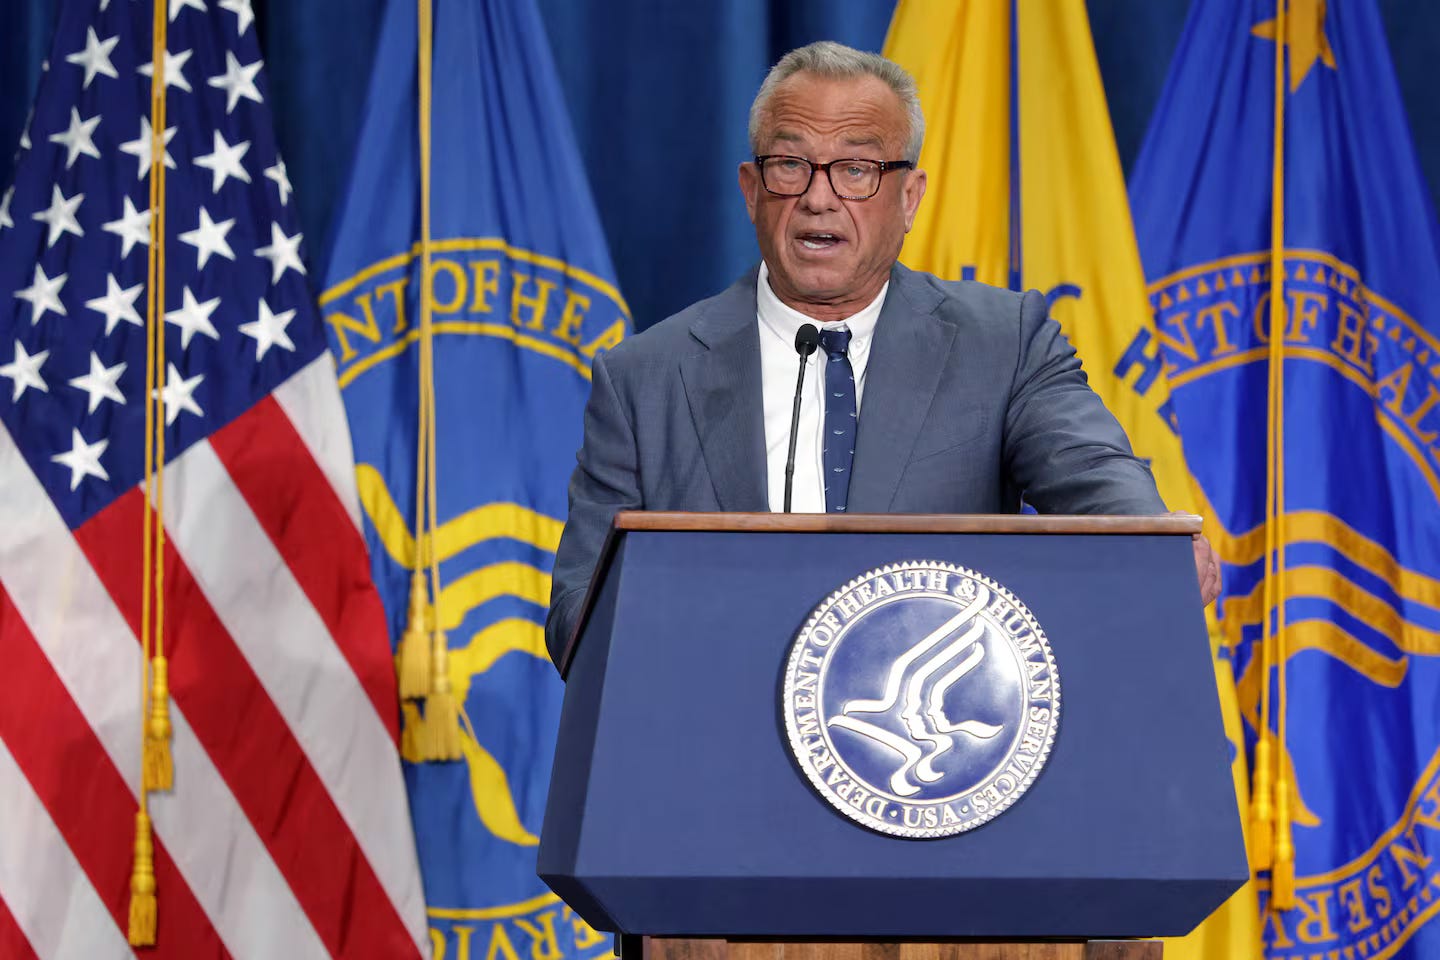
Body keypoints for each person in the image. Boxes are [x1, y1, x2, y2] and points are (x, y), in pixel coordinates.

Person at [545, 41, 1221, 669]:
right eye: (791, 165)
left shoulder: (1005, 344)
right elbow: (578, 616)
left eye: (856, 170)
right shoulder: (644, 379)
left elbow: (1094, 473)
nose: (818, 198)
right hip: (715, 728)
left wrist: (1153, 543)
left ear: (910, 197)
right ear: (752, 190)